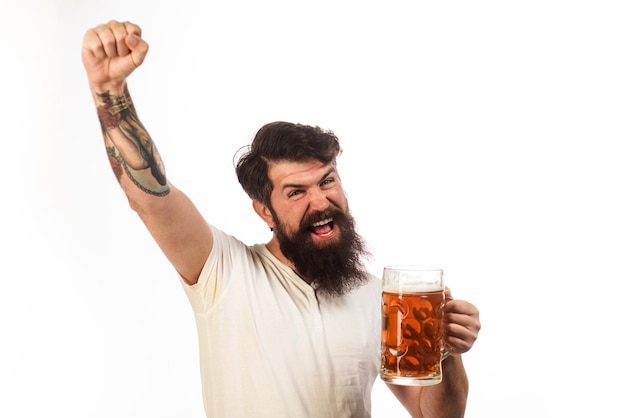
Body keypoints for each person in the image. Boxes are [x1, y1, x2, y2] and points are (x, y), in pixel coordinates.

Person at [81, 20, 481, 418]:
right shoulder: (223, 271)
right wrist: (109, 91)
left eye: (327, 181)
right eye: (296, 192)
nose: (321, 201)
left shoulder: (377, 298)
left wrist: (447, 351)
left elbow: (436, 416)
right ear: (264, 211)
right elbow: (150, 197)